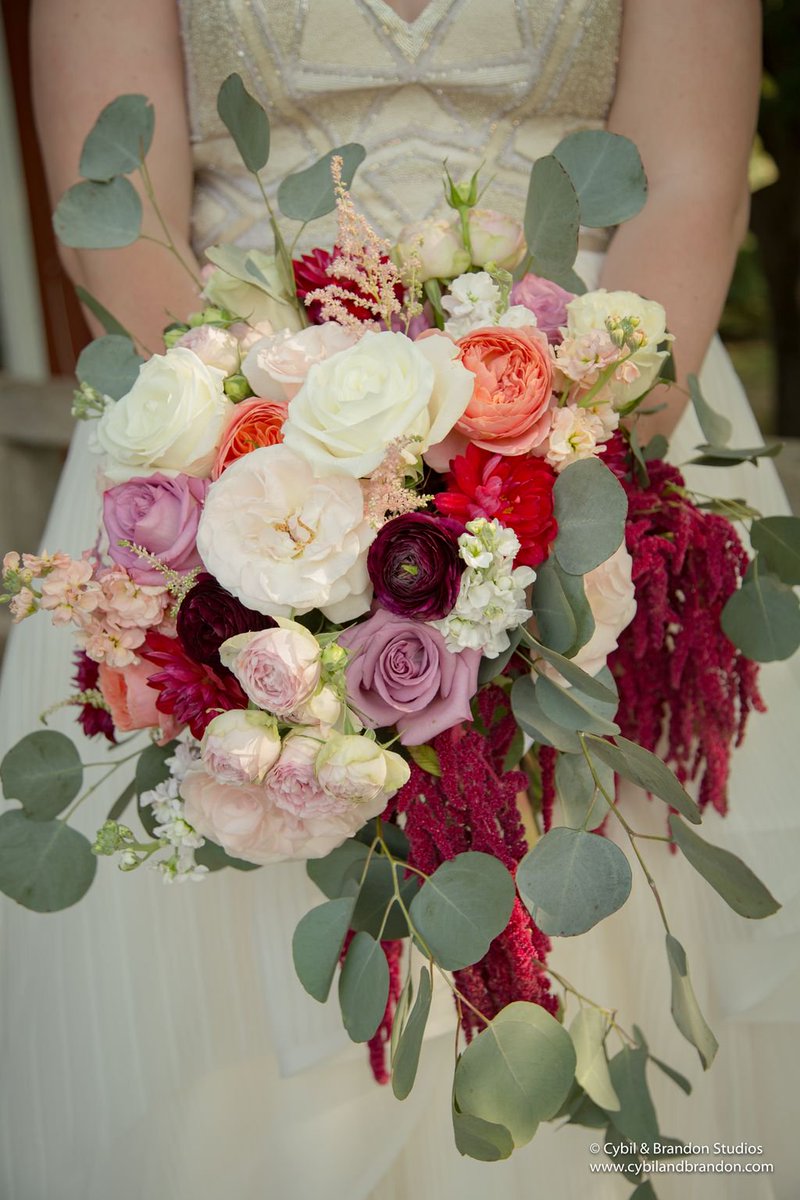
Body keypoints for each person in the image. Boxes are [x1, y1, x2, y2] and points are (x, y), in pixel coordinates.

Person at [0, 1, 797, 1196]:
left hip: (590, 420)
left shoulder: (583, 461)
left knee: (606, 945)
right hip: (228, 428)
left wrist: (556, 486)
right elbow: (111, 203)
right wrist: (270, 501)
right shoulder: (236, 461)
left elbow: (688, 181)